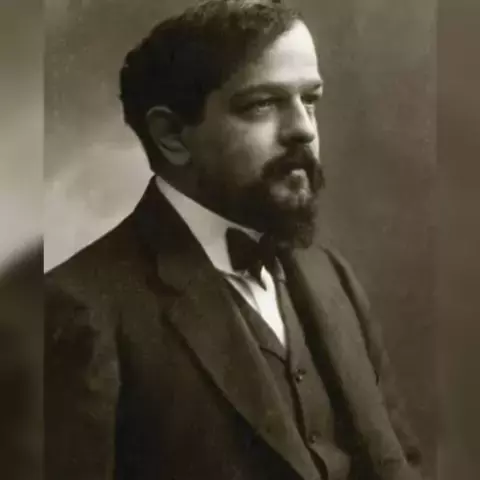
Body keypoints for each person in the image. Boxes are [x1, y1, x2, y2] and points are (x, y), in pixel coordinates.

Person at [45, 1, 424, 479]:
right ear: (171, 135)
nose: (303, 128)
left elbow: (401, 460)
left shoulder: (332, 275)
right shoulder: (75, 308)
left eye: (310, 99)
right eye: (261, 104)